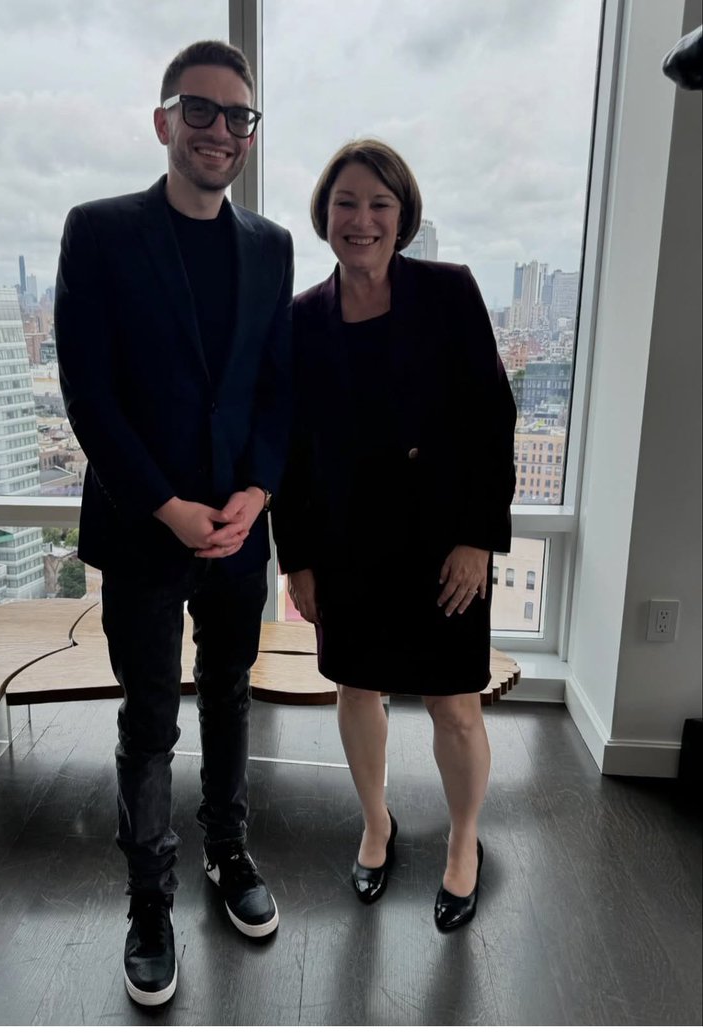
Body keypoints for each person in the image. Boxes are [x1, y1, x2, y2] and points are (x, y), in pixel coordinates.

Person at [54, 40, 293, 1005]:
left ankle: (226, 852)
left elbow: (276, 388)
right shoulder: (99, 230)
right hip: (142, 527)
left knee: (230, 695)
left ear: (248, 135)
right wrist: (166, 506)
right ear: (164, 121)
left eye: (237, 116)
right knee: (149, 716)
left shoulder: (271, 246)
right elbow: (88, 393)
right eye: (200, 110)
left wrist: (256, 494)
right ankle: (148, 898)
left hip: (237, 531)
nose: (219, 131)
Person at [273, 139, 515, 931]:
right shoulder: (301, 318)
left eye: (380, 203)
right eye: (346, 202)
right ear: (324, 214)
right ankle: (376, 824)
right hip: (346, 546)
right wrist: (297, 559)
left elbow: (491, 421)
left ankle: (463, 840)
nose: (362, 219)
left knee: (454, 706)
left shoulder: (448, 292)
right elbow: (289, 449)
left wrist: (478, 539)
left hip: (443, 545)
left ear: (403, 216)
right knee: (356, 690)